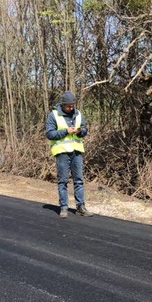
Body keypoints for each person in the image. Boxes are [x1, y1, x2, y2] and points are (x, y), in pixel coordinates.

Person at [45, 90, 92, 218]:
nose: (71, 108)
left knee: (79, 180)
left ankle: (81, 207)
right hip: (62, 152)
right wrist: (65, 131)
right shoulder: (53, 115)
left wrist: (80, 131)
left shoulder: (78, 114)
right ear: (63, 104)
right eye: (68, 106)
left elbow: (84, 129)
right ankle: (64, 207)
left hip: (77, 151)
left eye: (73, 105)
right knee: (63, 181)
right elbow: (49, 134)